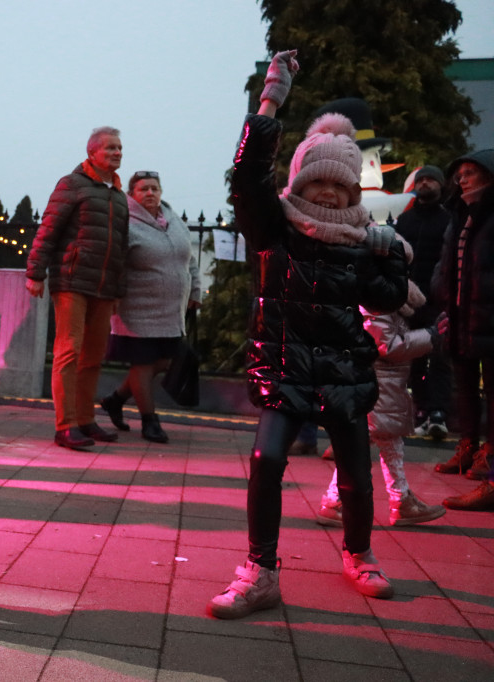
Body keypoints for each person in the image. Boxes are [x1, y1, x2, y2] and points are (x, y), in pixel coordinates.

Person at [207, 50, 408, 620]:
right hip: (284, 365)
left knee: (354, 470)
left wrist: (388, 252)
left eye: (338, 187)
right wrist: (272, 97)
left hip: (344, 369)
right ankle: (260, 569)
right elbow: (248, 177)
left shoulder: (363, 240)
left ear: (353, 195)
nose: (326, 193)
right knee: (266, 458)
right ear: (299, 182)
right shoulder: (274, 229)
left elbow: (388, 298)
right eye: (315, 180)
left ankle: (360, 553)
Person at [316, 256, 448, 527]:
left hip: (384, 385)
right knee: (370, 445)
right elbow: (387, 346)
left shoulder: (385, 298)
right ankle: (341, 500)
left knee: (385, 445)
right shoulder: (379, 302)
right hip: (379, 385)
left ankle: (398, 500)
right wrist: (430, 337)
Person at [26, 126, 129, 450]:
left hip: (103, 287)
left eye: (120, 148)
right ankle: (65, 425)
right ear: (92, 153)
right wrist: (35, 273)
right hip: (71, 281)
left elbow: (121, 247)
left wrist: (117, 291)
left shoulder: (118, 195)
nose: (117, 153)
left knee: (93, 357)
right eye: (110, 148)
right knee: (68, 352)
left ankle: (85, 420)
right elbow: (49, 228)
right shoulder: (72, 184)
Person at [100, 170, 201, 442]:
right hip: (137, 309)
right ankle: (149, 421)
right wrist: (113, 296)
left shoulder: (173, 219)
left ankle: (115, 399)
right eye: (143, 189)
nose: (150, 193)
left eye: (154, 188)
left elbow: (188, 258)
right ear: (132, 195)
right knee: (143, 364)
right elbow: (115, 263)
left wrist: (196, 289)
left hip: (170, 311)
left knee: (166, 361)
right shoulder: (126, 222)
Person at [432, 150, 494, 510]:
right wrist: (442, 294)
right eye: (460, 174)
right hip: (460, 313)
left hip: (487, 314)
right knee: (465, 384)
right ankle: (468, 447)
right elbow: (446, 261)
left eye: (471, 172)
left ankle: (489, 455)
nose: (463, 179)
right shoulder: (458, 215)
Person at [396, 165, 453, 440]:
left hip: (440, 301)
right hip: (409, 301)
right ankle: (421, 411)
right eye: (422, 179)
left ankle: (439, 412)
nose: (426, 183)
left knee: (441, 358)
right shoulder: (405, 221)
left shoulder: (450, 221)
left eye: (431, 179)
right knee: (412, 359)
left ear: (441, 185)